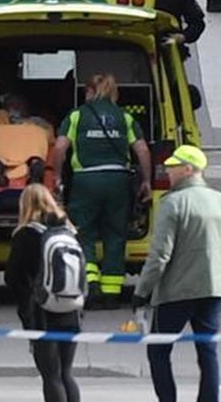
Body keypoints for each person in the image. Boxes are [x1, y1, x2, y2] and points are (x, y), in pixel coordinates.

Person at [133, 144, 221, 402]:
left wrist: (142, 291)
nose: (168, 171)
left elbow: (160, 254)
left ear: (188, 169)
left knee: (159, 350)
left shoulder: (173, 204)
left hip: (176, 291)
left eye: (173, 167)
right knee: (208, 352)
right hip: (213, 289)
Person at [52, 73, 152, 309]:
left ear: (89, 91)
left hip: (87, 180)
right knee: (115, 234)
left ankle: (91, 284)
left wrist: (57, 176)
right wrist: (146, 180)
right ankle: (111, 291)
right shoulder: (124, 117)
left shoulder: (77, 116)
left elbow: (59, 148)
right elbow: (143, 150)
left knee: (83, 232)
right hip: (118, 180)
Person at [4, 184, 82, 402]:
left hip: (42, 312)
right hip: (70, 309)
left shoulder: (26, 235)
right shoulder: (67, 231)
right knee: (66, 373)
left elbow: (12, 277)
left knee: (51, 375)